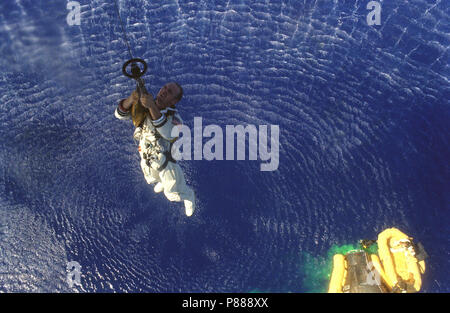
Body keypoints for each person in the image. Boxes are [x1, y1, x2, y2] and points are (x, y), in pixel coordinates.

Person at [115, 82, 195, 216]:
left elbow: (168, 133)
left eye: (169, 92)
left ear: (174, 101)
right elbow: (119, 114)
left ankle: (188, 195)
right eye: (164, 87)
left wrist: (151, 106)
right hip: (146, 157)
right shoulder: (143, 107)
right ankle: (161, 182)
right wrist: (132, 99)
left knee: (172, 193)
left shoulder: (175, 118)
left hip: (164, 162)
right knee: (151, 179)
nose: (164, 91)